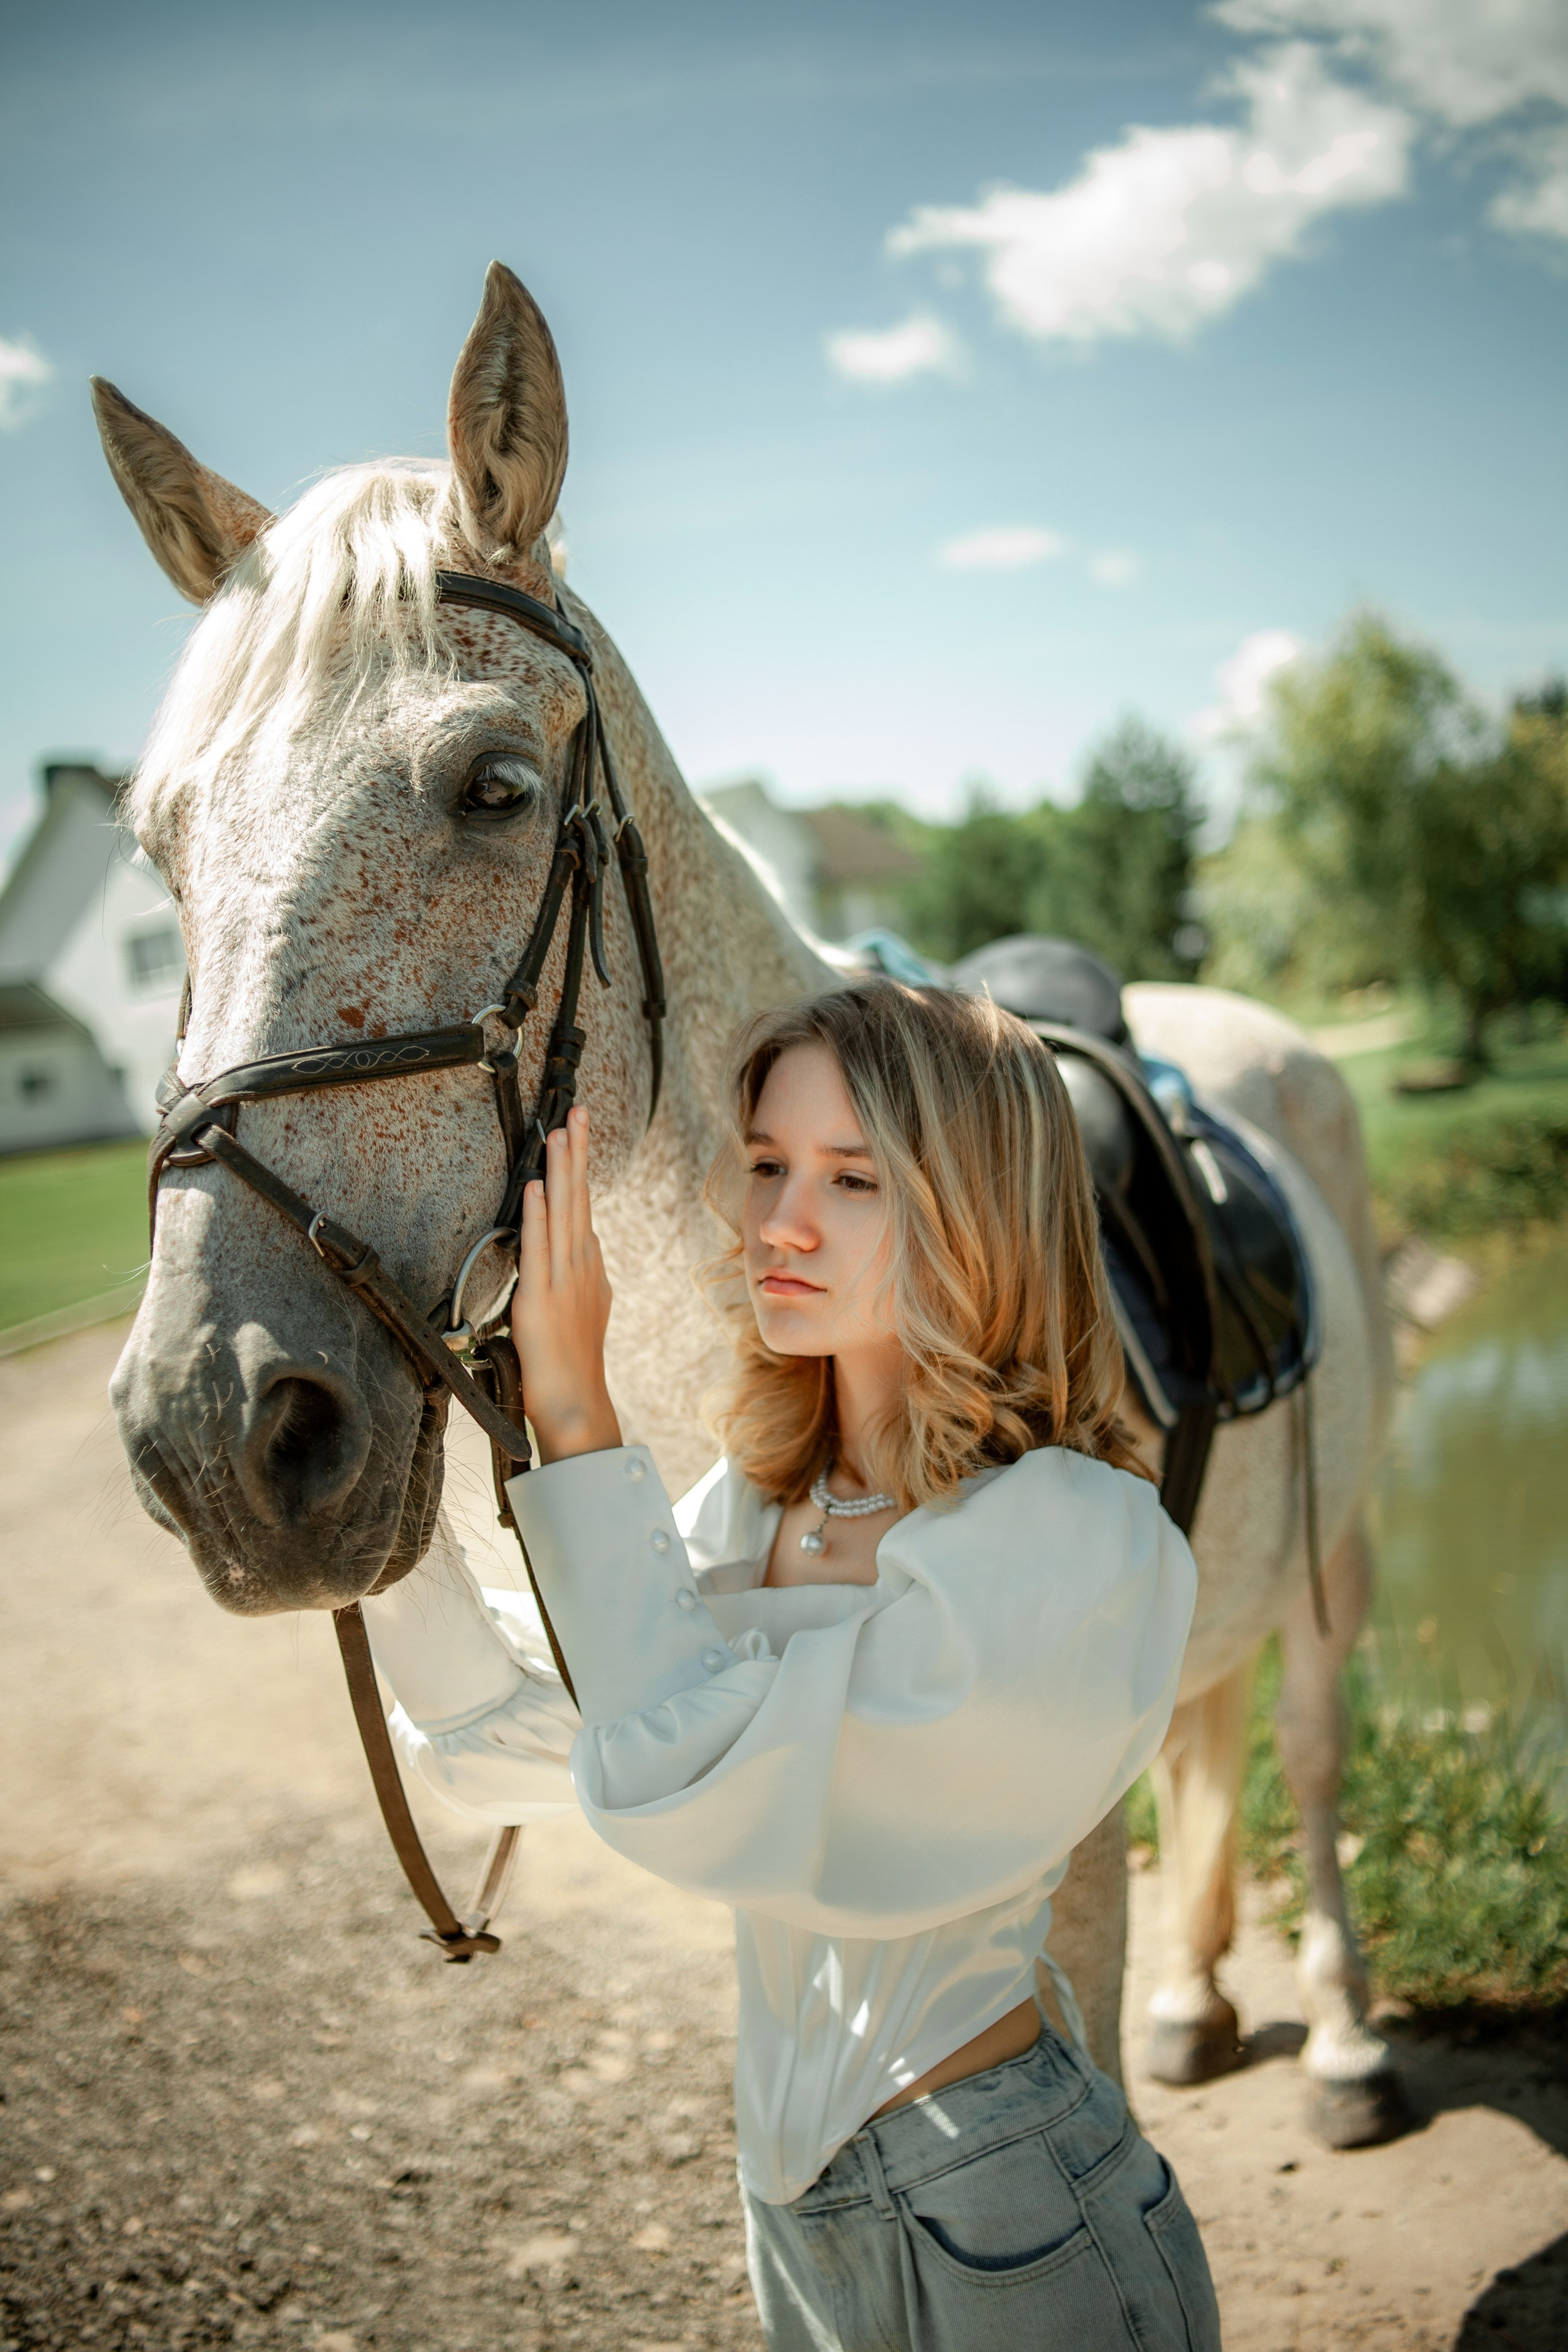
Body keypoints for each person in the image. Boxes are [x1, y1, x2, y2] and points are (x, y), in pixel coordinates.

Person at [364, 981, 1220, 2351]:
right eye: (766, 1165)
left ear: (980, 1212)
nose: (782, 1223)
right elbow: (495, 1744)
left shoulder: (1073, 1541)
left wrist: (575, 1409)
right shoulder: (755, 1508)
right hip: (792, 2208)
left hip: (1006, 2207)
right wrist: (357, 1453)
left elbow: (672, 1766)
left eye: (854, 1179)